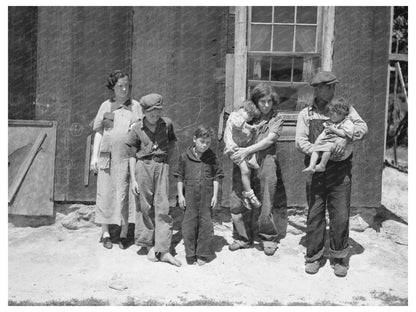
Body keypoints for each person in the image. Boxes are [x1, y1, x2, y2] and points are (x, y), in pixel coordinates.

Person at [295, 71, 368, 277]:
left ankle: (339, 257)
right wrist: (321, 151)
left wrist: (346, 139)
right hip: (317, 170)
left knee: (340, 215)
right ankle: (314, 257)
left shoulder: (345, 109)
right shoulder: (306, 113)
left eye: (327, 87)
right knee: (315, 214)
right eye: (318, 88)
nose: (323, 91)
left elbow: (362, 127)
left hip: (340, 171)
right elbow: (300, 142)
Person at [226, 83, 284, 256]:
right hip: (243, 160)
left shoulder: (276, 118)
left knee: (266, 197)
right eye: (262, 101)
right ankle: (242, 237)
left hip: (266, 159)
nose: (266, 105)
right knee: (238, 196)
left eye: (269, 101)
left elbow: (268, 141)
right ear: (256, 101)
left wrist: (247, 150)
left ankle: (267, 237)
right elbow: (233, 125)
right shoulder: (249, 114)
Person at [126, 93, 182, 267]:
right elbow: (131, 156)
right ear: (144, 112)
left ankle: (164, 250)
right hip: (143, 167)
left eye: (158, 113)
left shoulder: (167, 124)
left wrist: (172, 169)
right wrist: (134, 180)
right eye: (152, 114)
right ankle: (149, 245)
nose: (155, 117)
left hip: (162, 167)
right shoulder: (136, 128)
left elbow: (173, 146)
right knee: (145, 207)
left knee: (163, 207)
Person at [91, 70, 142, 250]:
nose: (124, 89)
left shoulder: (135, 106)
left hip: (126, 159)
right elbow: (98, 131)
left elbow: (139, 132)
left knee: (125, 194)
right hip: (107, 158)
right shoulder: (105, 106)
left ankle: (123, 233)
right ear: (112, 87)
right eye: (120, 86)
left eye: (126, 85)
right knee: (105, 193)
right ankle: (105, 233)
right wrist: (94, 157)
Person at [174, 125, 224, 266]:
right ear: (195, 139)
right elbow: (179, 177)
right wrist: (180, 195)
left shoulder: (212, 157)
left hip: (206, 196)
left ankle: (202, 253)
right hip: (189, 195)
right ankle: (190, 252)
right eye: (202, 141)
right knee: (189, 224)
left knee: (205, 224)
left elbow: (216, 177)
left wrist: (215, 196)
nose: (204, 145)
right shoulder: (185, 156)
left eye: (207, 143)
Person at [224, 100, 264, 210]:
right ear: (244, 110)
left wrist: (253, 129)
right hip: (232, 148)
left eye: (252, 117)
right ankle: (249, 194)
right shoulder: (234, 116)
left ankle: (245, 194)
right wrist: (251, 127)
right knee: (245, 171)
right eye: (250, 115)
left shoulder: (243, 122)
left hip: (239, 149)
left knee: (248, 171)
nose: (250, 119)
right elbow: (238, 124)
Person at [302, 98, 354, 173]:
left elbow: (345, 134)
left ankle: (322, 165)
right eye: (330, 114)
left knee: (327, 147)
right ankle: (312, 165)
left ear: (341, 113)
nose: (330, 116)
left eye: (333, 114)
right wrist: (317, 142)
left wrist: (333, 129)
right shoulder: (330, 122)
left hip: (338, 150)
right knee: (316, 148)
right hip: (327, 141)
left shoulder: (347, 122)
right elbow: (324, 133)